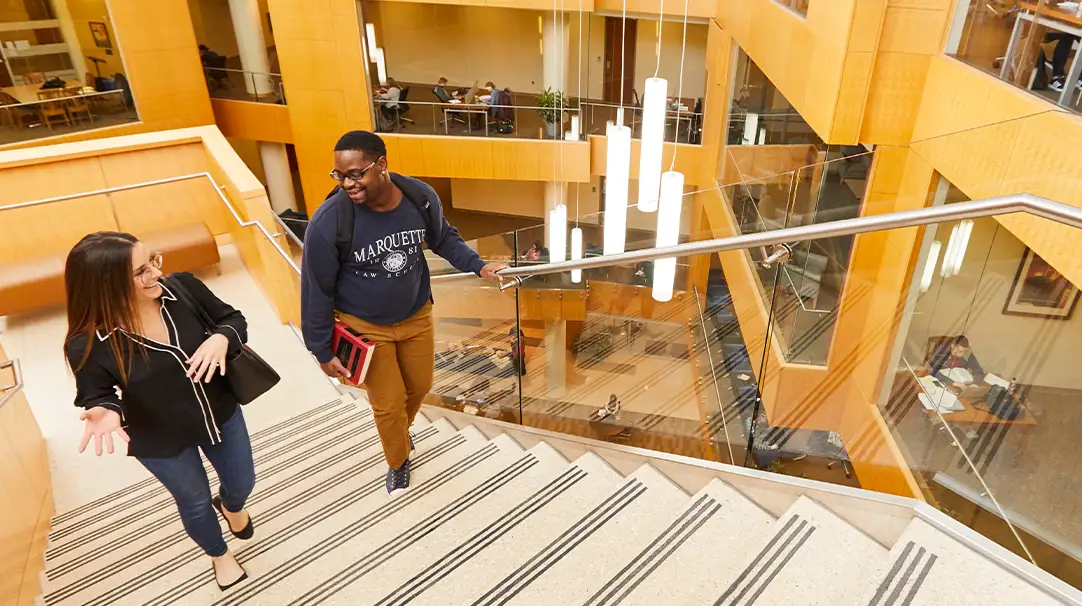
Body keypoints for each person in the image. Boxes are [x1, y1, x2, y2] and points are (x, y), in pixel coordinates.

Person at [301, 131, 508, 495]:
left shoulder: (419, 197)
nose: (347, 183)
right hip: (364, 327)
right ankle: (398, 460)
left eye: (355, 174)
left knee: (420, 386)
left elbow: (443, 237)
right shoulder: (329, 222)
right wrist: (321, 349)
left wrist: (478, 266)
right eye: (340, 175)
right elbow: (316, 289)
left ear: (381, 165)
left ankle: (398, 429)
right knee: (388, 403)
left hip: (415, 315)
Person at [63, 232, 255, 591]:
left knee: (243, 482)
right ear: (106, 284)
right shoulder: (87, 343)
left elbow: (233, 319)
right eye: (140, 271)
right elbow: (98, 393)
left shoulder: (182, 289)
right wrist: (105, 408)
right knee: (195, 501)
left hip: (218, 412)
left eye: (153, 261)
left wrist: (221, 337)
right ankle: (219, 555)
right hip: (158, 436)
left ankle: (230, 506)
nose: (154, 273)